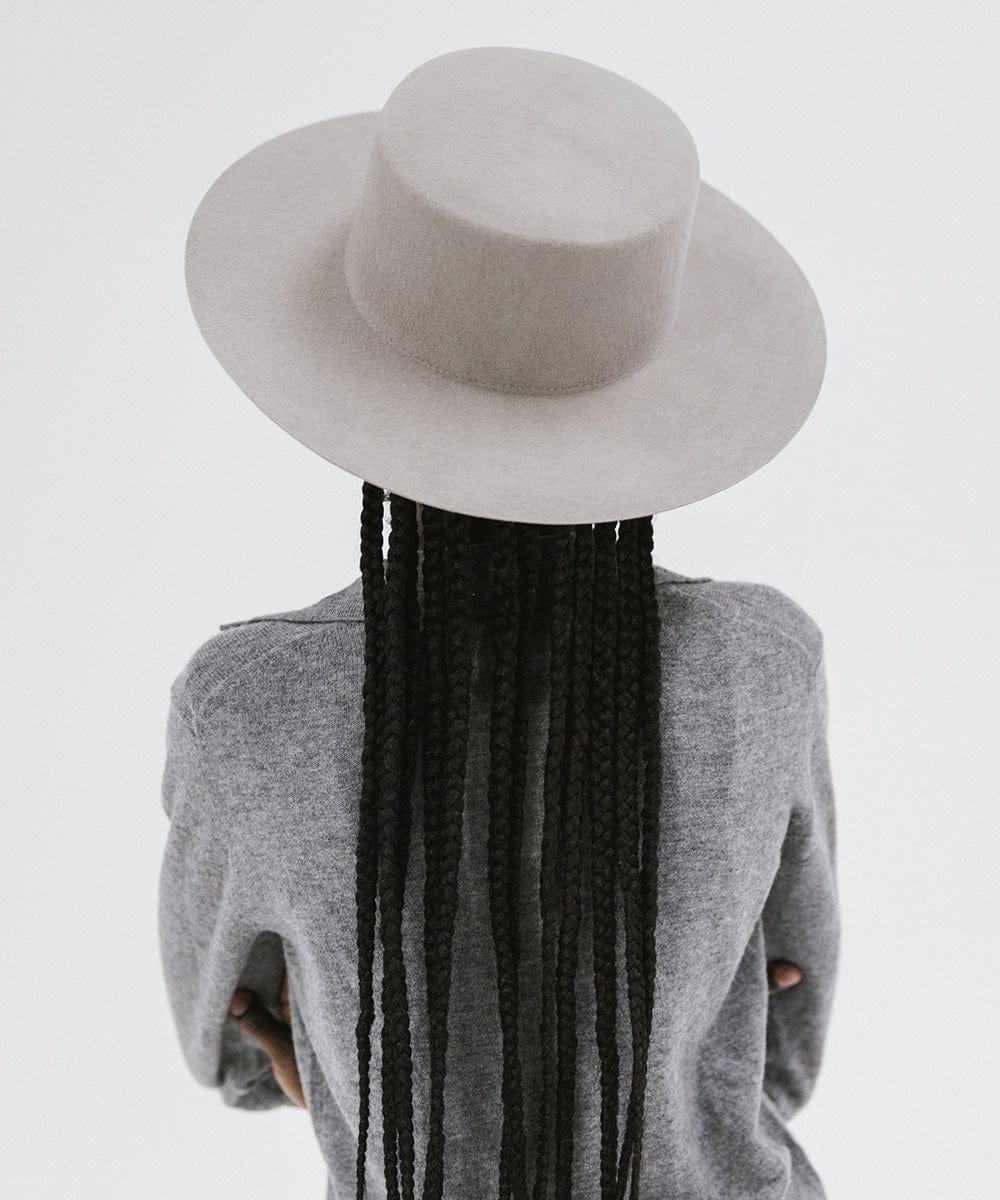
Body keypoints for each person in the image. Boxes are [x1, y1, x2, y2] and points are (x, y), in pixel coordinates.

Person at [161, 45, 838, 1200]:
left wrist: (355, 1054)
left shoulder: (249, 704)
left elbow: (224, 1048)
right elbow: (787, 1044)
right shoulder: (761, 664)